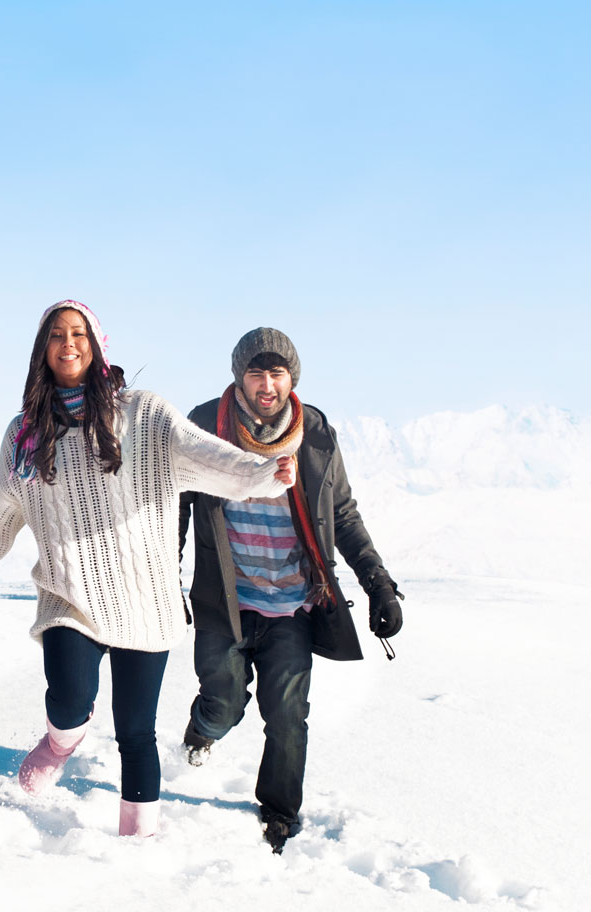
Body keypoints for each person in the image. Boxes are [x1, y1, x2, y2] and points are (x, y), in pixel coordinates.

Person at [0, 301, 295, 838]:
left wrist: (262, 471)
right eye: (57, 335)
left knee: (136, 732)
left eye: (79, 333)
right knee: (69, 699)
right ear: (43, 348)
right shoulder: (25, 436)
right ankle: (60, 740)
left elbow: (206, 456)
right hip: (69, 597)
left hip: (144, 598)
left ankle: (140, 842)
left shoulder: (144, 414)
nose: (69, 344)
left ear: (98, 343)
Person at [177, 327, 404, 854]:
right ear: (239, 376)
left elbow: (342, 514)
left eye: (276, 373)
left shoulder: (316, 433)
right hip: (225, 600)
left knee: (287, 715)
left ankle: (279, 813)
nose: (266, 384)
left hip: (293, 603)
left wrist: (379, 586)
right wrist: (164, 574)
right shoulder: (204, 427)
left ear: (291, 378)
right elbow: (175, 506)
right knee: (225, 700)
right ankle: (205, 726)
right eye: (256, 372)